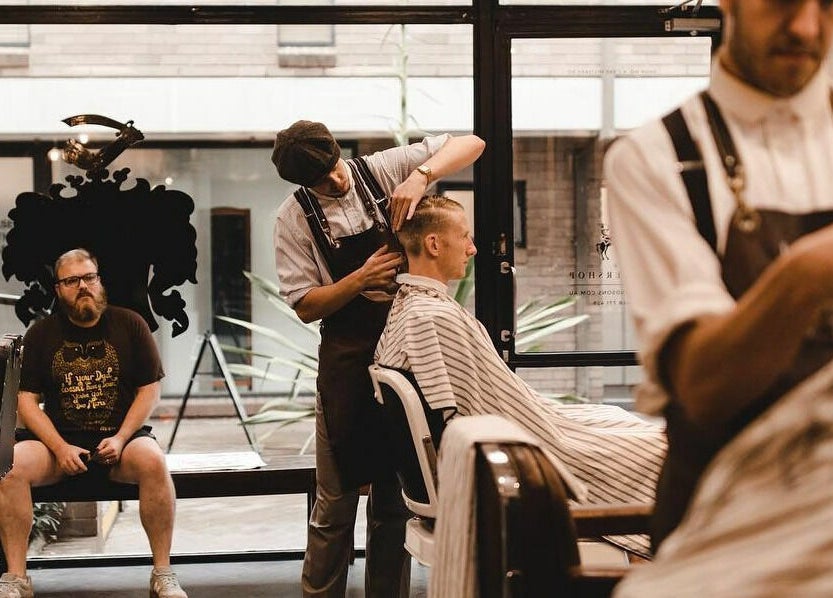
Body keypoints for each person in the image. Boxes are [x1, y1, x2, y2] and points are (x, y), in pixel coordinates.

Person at [603, 0, 833, 553]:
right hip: (727, 524)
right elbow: (706, 387)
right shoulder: (656, 158)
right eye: (782, 1)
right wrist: (807, 271)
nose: (805, 27)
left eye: (827, 4)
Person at [374, 194, 667, 556]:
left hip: (523, 423)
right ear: (434, 244)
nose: (472, 248)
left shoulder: (413, 308)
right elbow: (458, 412)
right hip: (513, 445)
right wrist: (548, 428)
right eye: (464, 236)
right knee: (655, 447)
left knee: (613, 416)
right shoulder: (430, 318)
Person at [270, 120, 485, 597]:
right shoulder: (293, 218)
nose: (336, 181)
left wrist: (421, 176)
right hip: (348, 366)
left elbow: (473, 143)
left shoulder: (382, 170)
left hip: (407, 357)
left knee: (394, 504)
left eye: (335, 167)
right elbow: (304, 305)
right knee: (334, 507)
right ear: (303, 184)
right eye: (322, 181)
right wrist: (359, 280)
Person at [0, 248, 187, 598]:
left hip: (120, 443)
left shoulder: (131, 324)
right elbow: (26, 401)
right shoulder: (41, 334)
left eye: (89, 277)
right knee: (9, 469)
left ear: (100, 280)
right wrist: (59, 447)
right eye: (72, 281)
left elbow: (149, 390)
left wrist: (121, 438)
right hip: (58, 447)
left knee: (153, 461)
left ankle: (163, 573)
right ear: (58, 289)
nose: (83, 286)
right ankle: (16, 578)